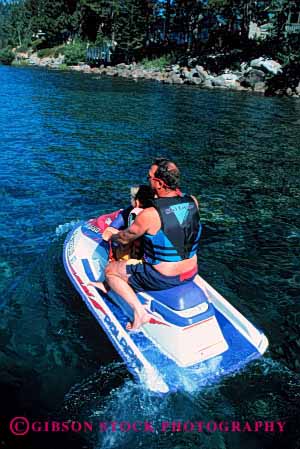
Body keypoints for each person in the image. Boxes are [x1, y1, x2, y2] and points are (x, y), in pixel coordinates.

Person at [104, 158, 202, 331]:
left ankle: (139, 313)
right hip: (192, 271)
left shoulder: (150, 214)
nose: (147, 179)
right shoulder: (192, 201)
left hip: (162, 278)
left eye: (149, 177)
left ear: (159, 183)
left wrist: (111, 235)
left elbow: (124, 238)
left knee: (111, 271)